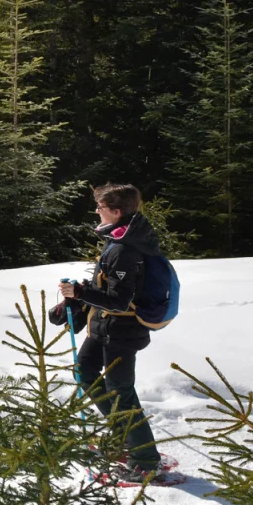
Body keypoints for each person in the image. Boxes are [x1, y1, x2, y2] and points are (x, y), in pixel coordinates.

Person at [52, 183, 166, 481]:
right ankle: (124, 439)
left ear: (116, 212)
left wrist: (79, 291)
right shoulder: (117, 238)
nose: (96, 212)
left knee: (122, 393)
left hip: (122, 331)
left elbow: (119, 301)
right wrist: (81, 293)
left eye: (100, 208)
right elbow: (109, 288)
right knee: (84, 371)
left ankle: (145, 461)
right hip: (102, 326)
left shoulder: (126, 250)